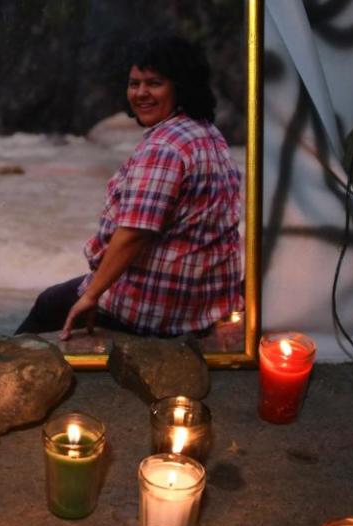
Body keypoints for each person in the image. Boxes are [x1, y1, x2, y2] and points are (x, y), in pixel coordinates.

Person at [16, 34, 243, 341]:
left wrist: (93, 294)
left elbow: (136, 232)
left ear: (181, 85)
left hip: (158, 305)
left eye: (154, 83)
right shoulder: (207, 133)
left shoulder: (165, 147)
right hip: (202, 298)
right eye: (134, 83)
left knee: (50, 303)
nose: (140, 93)